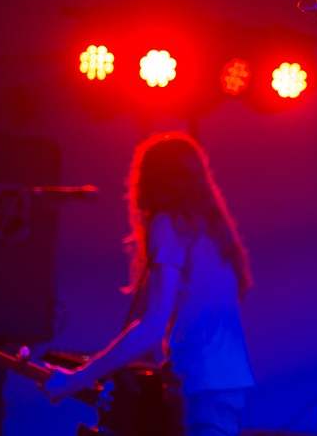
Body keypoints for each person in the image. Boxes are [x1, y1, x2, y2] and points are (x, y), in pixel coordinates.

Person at [42, 131, 255, 436]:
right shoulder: (213, 232)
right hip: (225, 385)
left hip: (201, 385)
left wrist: (77, 378)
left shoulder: (169, 223)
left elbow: (154, 326)